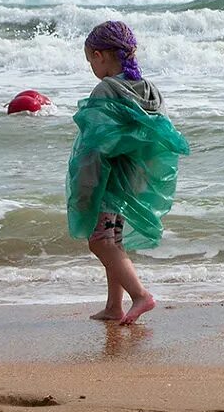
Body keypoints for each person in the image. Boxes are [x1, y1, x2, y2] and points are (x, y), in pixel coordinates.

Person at [66, 21, 190, 325]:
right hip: (134, 177)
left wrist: (84, 190)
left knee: (100, 241)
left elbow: (95, 147)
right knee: (114, 239)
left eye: (89, 61)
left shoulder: (106, 89)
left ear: (99, 55)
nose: (91, 68)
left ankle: (140, 295)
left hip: (109, 178)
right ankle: (113, 306)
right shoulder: (148, 89)